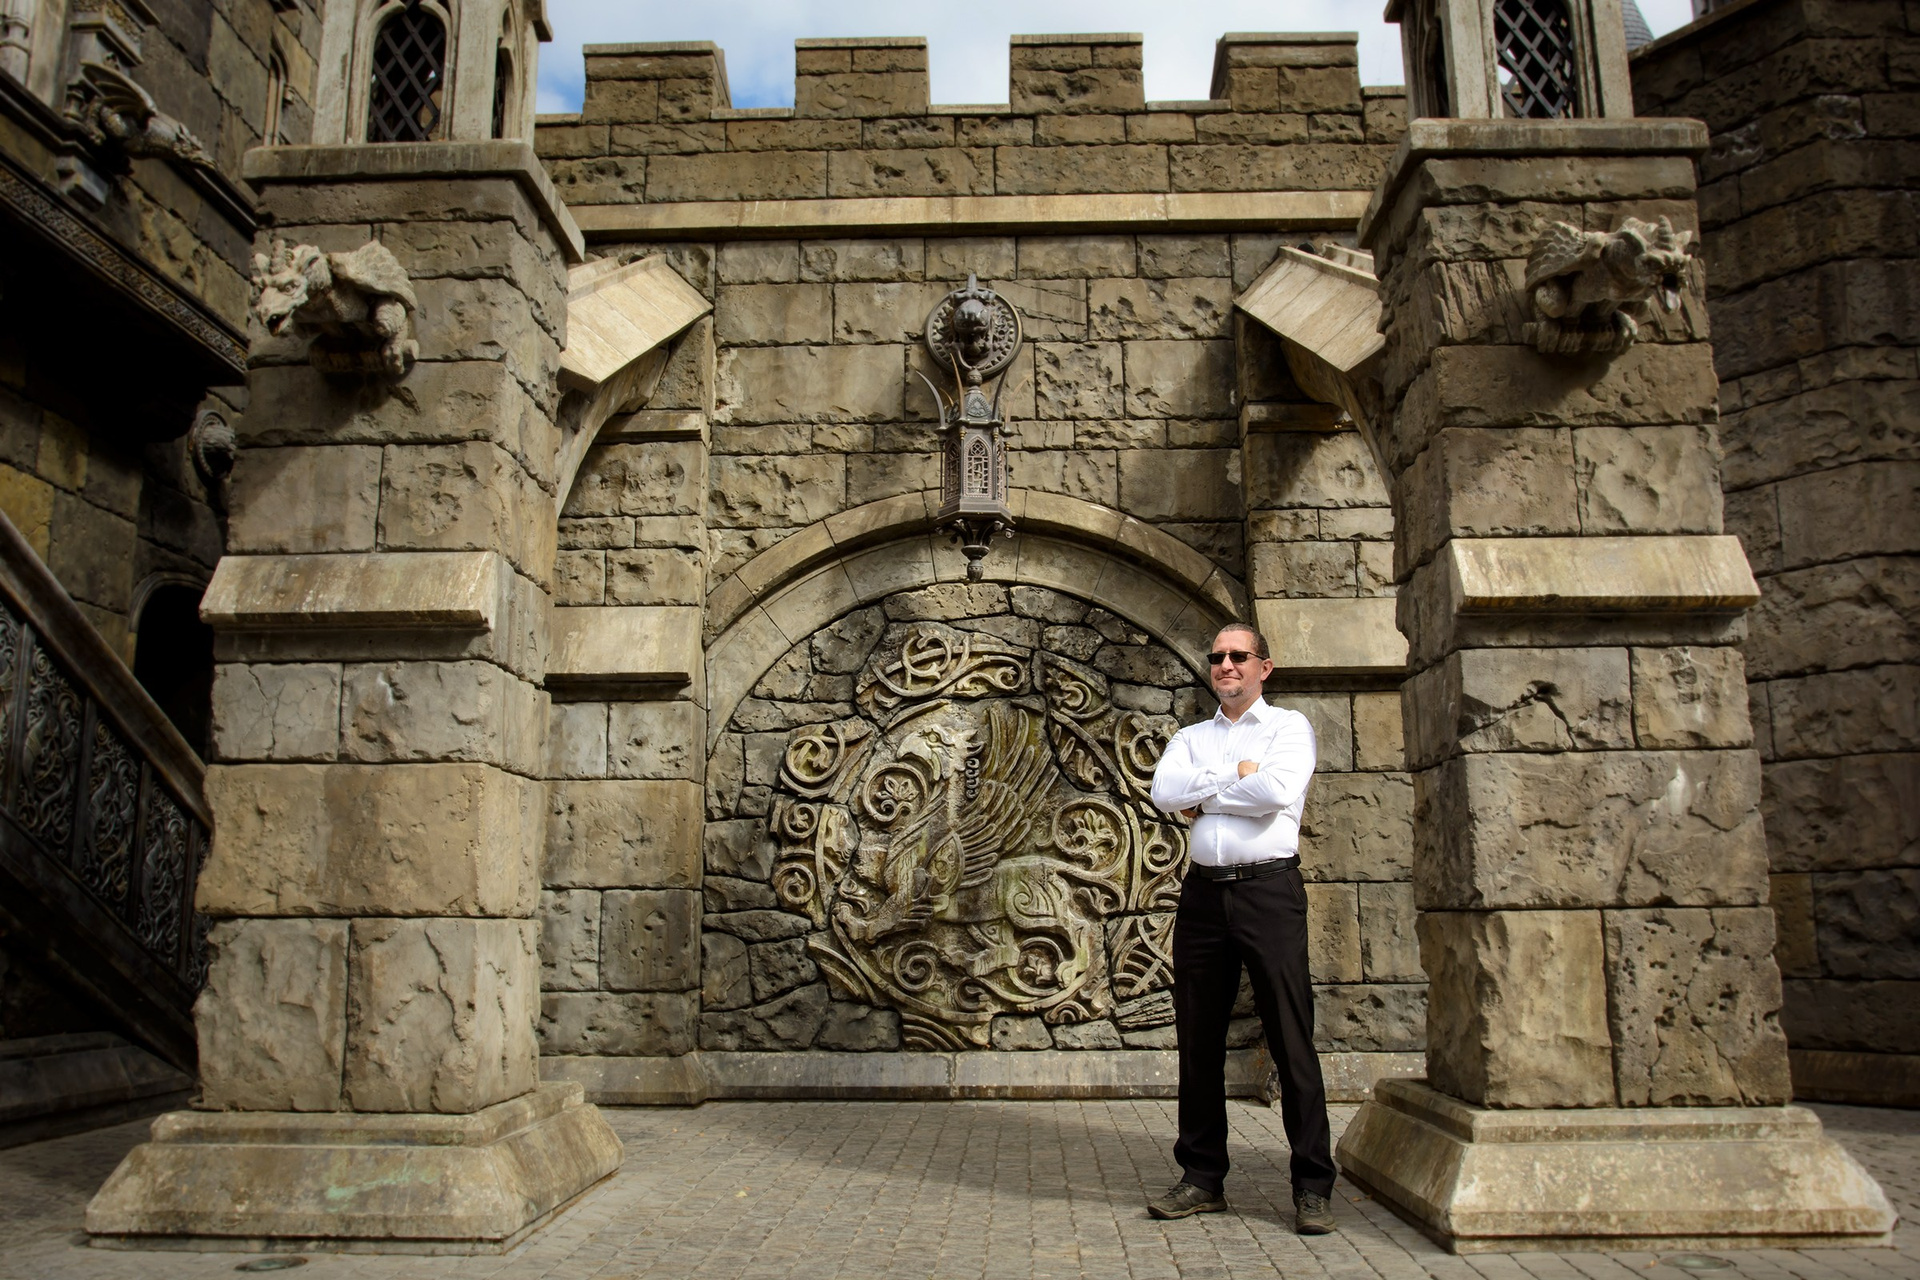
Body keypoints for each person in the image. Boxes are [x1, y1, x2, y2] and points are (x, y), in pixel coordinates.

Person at [1144, 622, 1337, 1235]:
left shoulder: (1288, 728)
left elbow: (1276, 790)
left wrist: (1206, 794)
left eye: (1238, 656)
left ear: (1263, 667)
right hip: (1203, 896)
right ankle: (1202, 1178)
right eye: (1217, 656)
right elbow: (1163, 792)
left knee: (1290, 1036)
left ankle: (1312, 1186)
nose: (1225, 665)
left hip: (1268, 892)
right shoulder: (1192, 736)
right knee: (1197, 1037)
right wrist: (1236, 777)